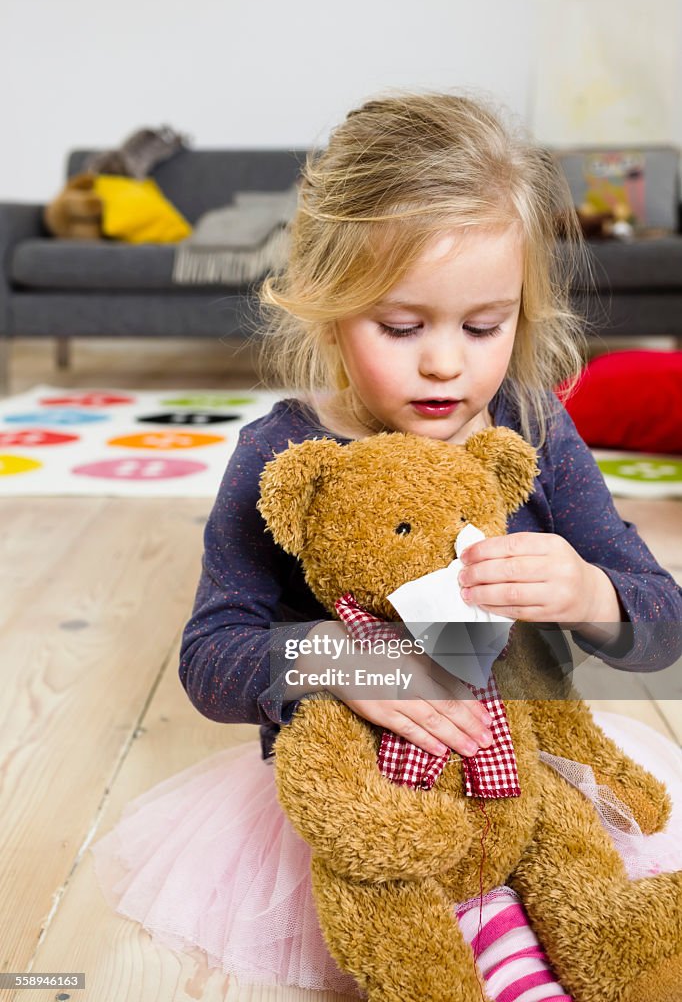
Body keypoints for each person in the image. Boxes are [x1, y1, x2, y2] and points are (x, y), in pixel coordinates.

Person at [92, 92, 682, 999]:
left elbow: (663, 623)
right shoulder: (285, 454)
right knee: (409, 926)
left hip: (525, 766)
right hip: (376, 794)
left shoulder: (531, 426)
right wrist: (338, 659)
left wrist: (591, 593)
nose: (446, 363)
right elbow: (211, 659)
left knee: (590, 902)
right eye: (402, 327)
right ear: (328, 309)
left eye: (485, 326)